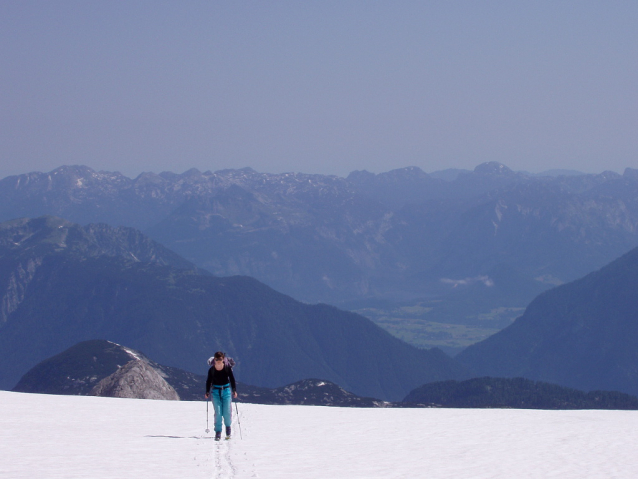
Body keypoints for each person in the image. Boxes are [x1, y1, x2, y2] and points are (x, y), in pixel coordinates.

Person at [205, 351, 237, 440]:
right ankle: (218, 432)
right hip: (215, 391)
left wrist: (234, 390)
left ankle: (228, 427)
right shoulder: (211, 370)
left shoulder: (227, 368)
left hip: (226, 391)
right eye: (217, 359)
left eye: (220, 359)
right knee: (218, 412)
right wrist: (207, 391)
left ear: (223, 359)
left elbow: (232, 379)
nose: (218, 361)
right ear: (214, 359)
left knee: (226, 411)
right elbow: (208, 381)